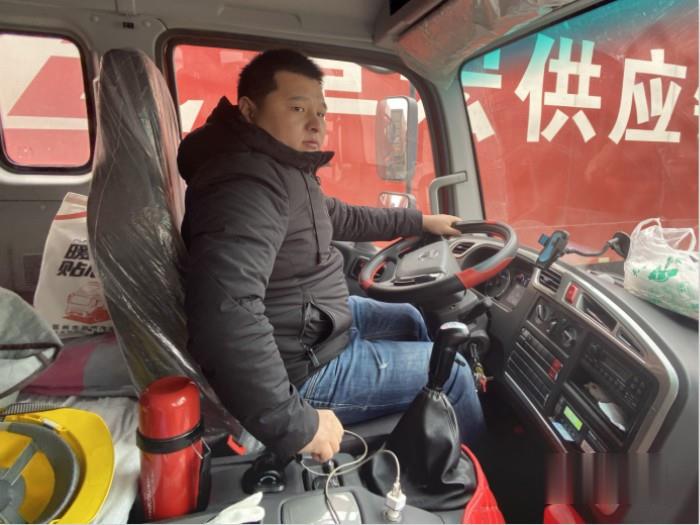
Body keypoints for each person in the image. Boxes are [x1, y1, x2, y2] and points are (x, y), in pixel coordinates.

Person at [177, 49, 485, 463]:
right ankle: (472, 475)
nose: (315, 124)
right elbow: (225, 313)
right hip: (301, 370)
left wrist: (420, 221)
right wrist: (294, 422)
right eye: (297, 108)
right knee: (455, 374)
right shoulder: (245, 185)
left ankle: (422, 436)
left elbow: (340, 216)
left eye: (321, 113)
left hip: (311, 328)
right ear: (249, 110)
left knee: (410, 318)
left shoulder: (280, 168)